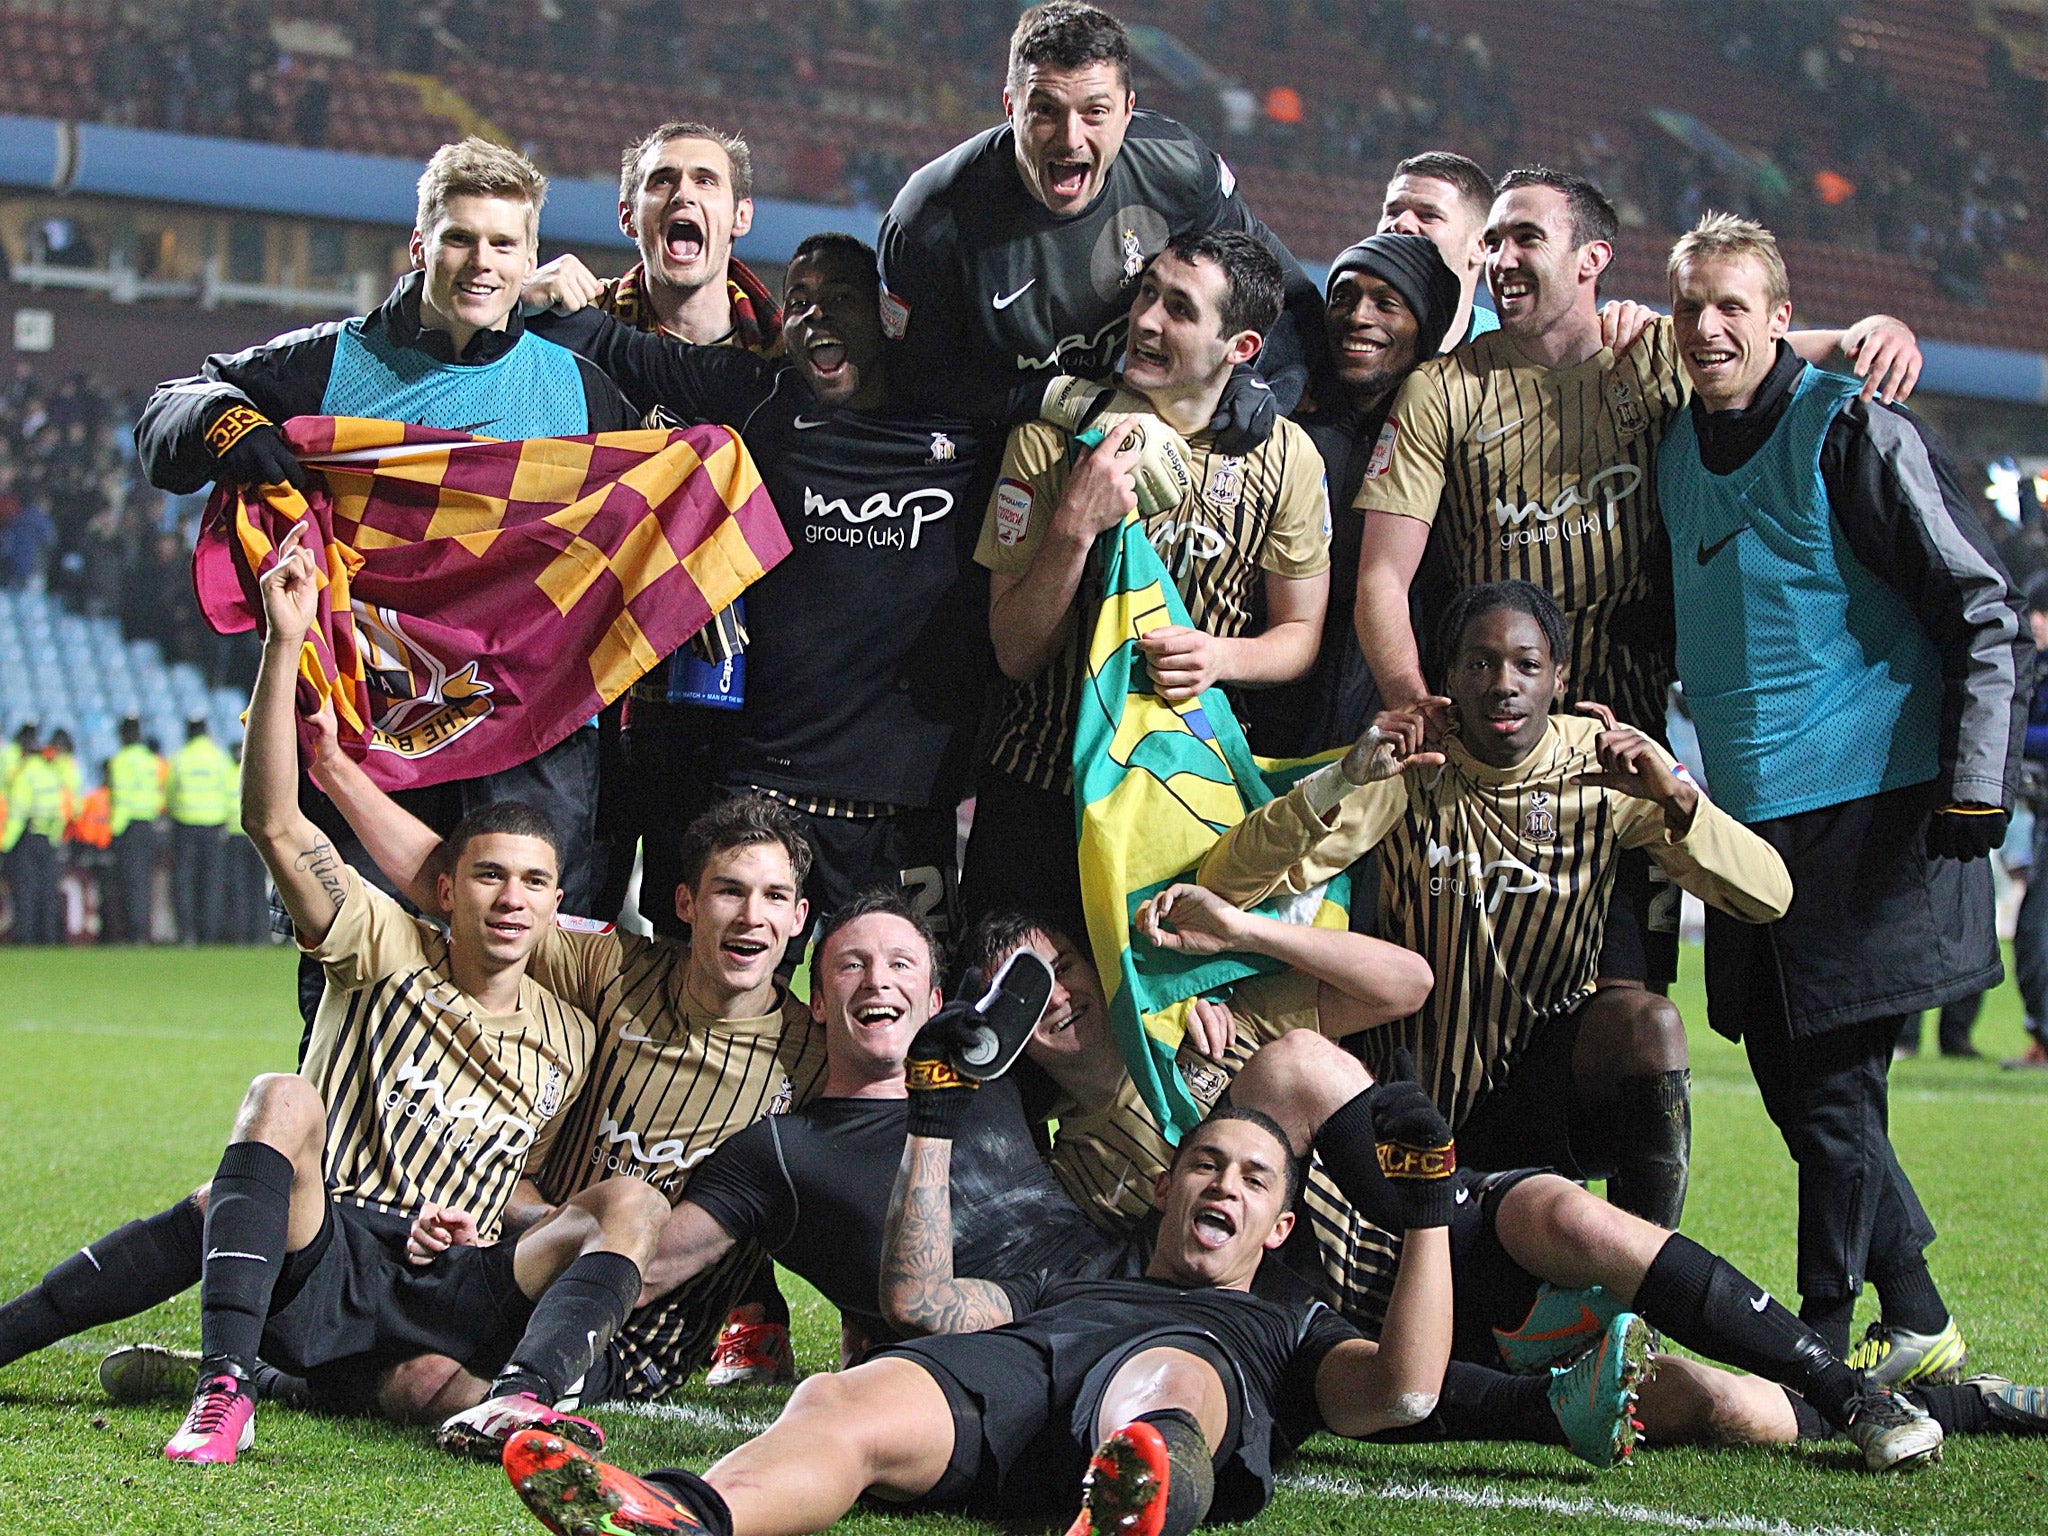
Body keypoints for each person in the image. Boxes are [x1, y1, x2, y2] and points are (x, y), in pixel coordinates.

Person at [0, 525, 661, 1466]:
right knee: (279, 1103)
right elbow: (273, 820)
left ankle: (516, 1400)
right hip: (336, 1246)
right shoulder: (382, 939)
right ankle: (224, 1388)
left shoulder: (568, 1031)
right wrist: (282, 643)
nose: (511, 900)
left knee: (609, 1220)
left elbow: (523, 1179)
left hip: (451, 1271)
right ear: (444, 888)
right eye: (488, 877)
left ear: (560, 901)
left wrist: (483, 1216)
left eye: (533, 883)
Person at [989, 909, 2013, 1471]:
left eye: (1067, 968)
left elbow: (1403, 983)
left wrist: (1235, 938)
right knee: (1709, 1407)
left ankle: (1844, 1386)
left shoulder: (1193, 1022)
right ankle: (1956, 1409)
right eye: (1030, 993)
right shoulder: (1055, 1165)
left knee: (1532, 1195)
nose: (1063, 998)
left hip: (1421, 1218)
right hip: (1346, 1327)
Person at [1351, 166, 1924, 1003]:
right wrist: (1412, 700)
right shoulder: (1442, 391)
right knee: (1474, 999)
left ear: (1592, 260)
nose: (1502, 257)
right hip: (1491, 748)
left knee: (1630, 1003)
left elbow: (1781, 351)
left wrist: (1874, 330)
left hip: (1623, 746)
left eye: (1527, 239)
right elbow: (1380, 576)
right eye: (1496, 239)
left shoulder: (1656, 353)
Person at [1657, 213, 2030, 1384]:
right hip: (1748, 819)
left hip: (1879, 803)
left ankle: (1820, 1331)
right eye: (1689, 307)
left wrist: (1976, 787)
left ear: (1779, 320)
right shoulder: (1672, 438)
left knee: (1828, 1086)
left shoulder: (1849, 425)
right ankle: (1912, 1313)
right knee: (1787, 1072)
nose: (1707, 327)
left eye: (1734, 306)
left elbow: (1978, 603)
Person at [498, 1100, 1456, 1536]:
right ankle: (690, 1518)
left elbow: (1404, 1390)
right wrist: (930, 1120)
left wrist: (1425, 1212)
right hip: (1022, 1369)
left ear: (1280, 1226)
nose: (1223, 1184)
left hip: (1169, 1390)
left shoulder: (1285, 1324)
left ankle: (1133, 1494)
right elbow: (922, 1303)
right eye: (1206, 1163)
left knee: (1165, 1372)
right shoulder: (1065, 1277)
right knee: (840, 1399)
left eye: (1252, 1178)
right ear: (1166, 1186)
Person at [132, 137, 638, 919]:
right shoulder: (329, 365)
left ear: (531, 255)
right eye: (460, 238)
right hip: (369, 729)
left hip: (531, 735)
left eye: (504, 243)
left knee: (533, 990)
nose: (482, 263)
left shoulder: (584, 395)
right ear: (419, 245)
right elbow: (174, 406)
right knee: (356, 976)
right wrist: (224, 421)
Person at [1196, 581, 1795, 1230]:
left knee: (1653, 1026)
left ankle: (1640, 1295)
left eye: (1527, 664)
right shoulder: (1413, 764)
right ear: (1447, 676)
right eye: (1479, 663)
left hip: (1540, 1096)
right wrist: (1345, 778)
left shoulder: (1606, 774)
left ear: (1558, 678)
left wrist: (1681, 802)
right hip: (1405, 1087)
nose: (1503, 683)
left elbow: (1769, 897)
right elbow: (1227, 879)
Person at [306, 750, 832, 1413]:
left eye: (774, 897)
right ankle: (283, 1369)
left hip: (641, 1332)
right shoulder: (613, 966)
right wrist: (331, 764)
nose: (751, 915)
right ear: (686, 903)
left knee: (436, 1385)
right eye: (729, 890)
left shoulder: (815, 1060)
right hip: (524, 1256)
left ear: (798, 918)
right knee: (405, 1355)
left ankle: (302, 1379)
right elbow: (471, 892)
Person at [522, 231, 997, 943]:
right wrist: (548, 296)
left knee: (910, 1027)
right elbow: (627, 352)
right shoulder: (759, 399)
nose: (816, 318)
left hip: (903, 812)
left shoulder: (965, 421)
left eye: (840, 299)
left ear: (885, 315)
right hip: (763, 790)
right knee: (722, 1014)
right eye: (799, 302)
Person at [963, 229, 1331, 942]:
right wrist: (1074, 524)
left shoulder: (1287, 459)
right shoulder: (1048, 440)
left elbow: (1300, 636)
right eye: (1148, 293)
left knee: (1152, 1038)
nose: (1147, 320)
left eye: (1181, 310)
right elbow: (1014, 650)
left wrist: (1223, 658)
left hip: (1185, 804)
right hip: (1040, 794)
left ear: (1242, 348)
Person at [878, 1, 1322, 442]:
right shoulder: (929, 221)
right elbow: (913, 376)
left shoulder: (1178, 167)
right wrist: (1053, 399)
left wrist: (1256, 380)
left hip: (1154, 432)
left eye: (1095, 112)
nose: (1071, 139)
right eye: (1046, 110)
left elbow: (1280, 290)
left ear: (1128, 110)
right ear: (1011, 107)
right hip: (997, 448)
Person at [1242, 232, 1461, 758]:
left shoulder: (1452, 442)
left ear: (1425, 328)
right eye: (1343, 296)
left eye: (1387, 304)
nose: (1358, 316)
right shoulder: (1280, 422)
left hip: (1387, 730)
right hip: (1260, 722)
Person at [599, 121, 782, 353]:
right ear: (628, 217)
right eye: (663, 181)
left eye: (705, 181)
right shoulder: (579, 324)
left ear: (741, 216)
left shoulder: (789, 358)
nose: (683, 195)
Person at [1377, 150, 1500, 351]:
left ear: (1481, 246)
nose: (1401, 223)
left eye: (1428, 215)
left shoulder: (1512, 360)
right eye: (1393, 212)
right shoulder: (1333, 337)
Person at [2006, 572, 2048, 1071]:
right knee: (2033, 928)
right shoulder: (2032, 668)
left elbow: (2017, 729)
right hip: (2039, 813)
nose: (2034, 623)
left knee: (2037, 927)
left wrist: (2014, 741)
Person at [165, 717, 235, 945]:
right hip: (214, 826)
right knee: (211, 882)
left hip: (184, 824)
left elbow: (170, 794)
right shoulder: (219, 758)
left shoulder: (179, 759)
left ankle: (186, 934)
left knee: (184, 882)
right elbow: (229, 790)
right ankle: (209, 934)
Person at [105, 715, 166, 944]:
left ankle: (132, 933)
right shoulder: (151, 761)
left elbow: (119, 798)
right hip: (148, 826)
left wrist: (115, 832)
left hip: (128, 828)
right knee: (144, 882)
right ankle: (143, 933)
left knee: (129, 882)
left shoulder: (120, 761)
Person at [2, 723, 65, 944]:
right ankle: (48, 937)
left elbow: (18, 813)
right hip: (49, 838)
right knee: (48, 890)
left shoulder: (24, 776)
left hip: (27, 839)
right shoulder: (51, 774)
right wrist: (55, 838)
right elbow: (60, 811)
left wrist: (5, 844)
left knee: (25, 891)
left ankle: (26, 938)